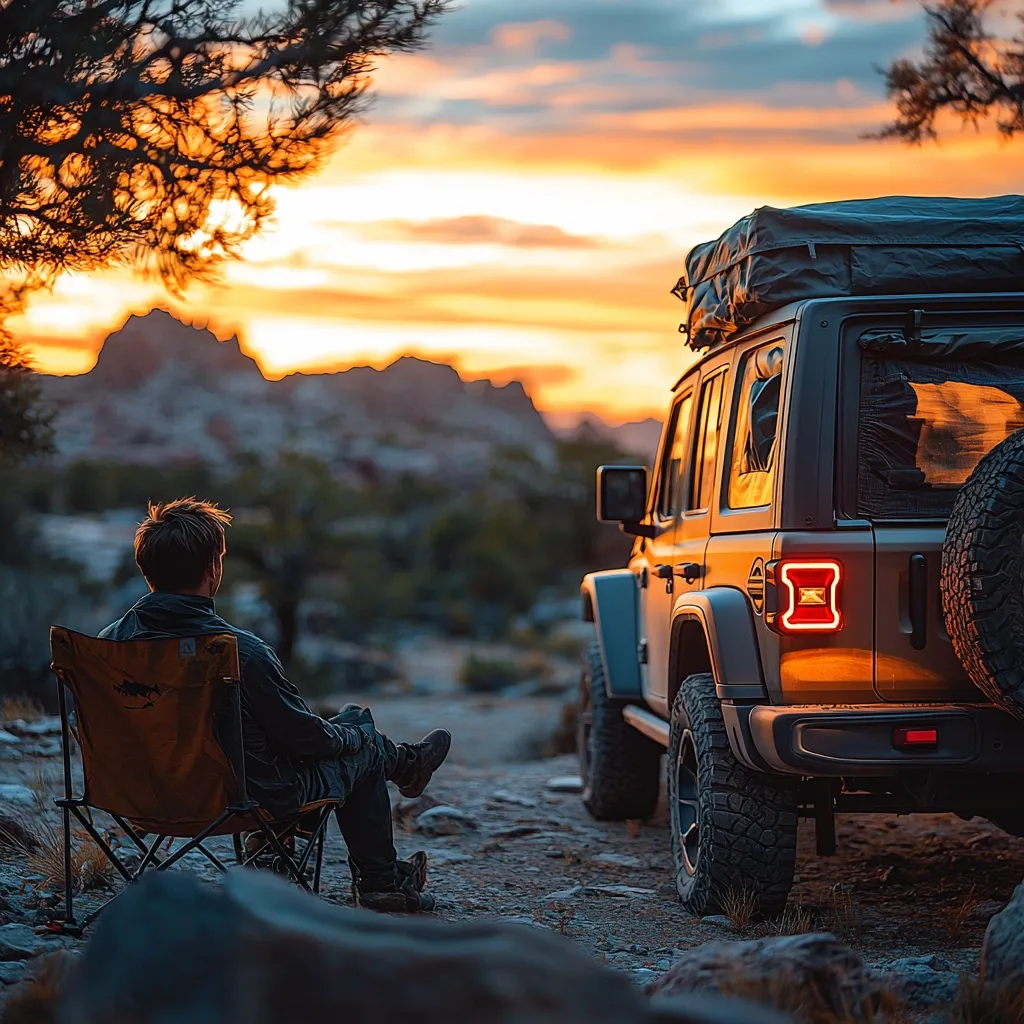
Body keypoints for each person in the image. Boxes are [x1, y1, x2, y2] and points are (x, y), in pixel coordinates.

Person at [100, 497, 450, 913]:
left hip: (137, 798)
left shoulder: (106, 647)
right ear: (213, 569)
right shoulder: (238, 652)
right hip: (237, 800)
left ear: (146, 570)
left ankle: (389, 781)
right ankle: (383, 873)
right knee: (363, 742)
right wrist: (357, 738)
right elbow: (303, 738)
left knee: (348, 723)